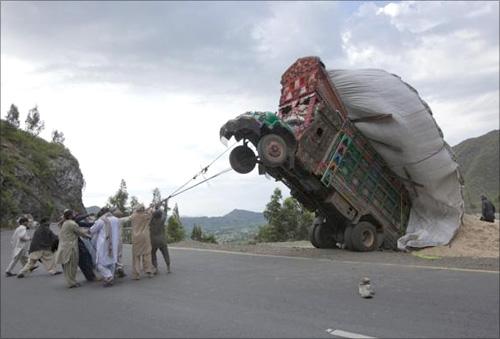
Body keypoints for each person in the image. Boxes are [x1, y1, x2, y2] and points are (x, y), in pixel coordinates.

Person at [55, 209, 91, 288]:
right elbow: (80, 232)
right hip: (70, 247)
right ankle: (72, 282)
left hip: (64, 246)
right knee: (72, 265)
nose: (75, 214)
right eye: (73, 213)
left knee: (68, 266)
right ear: (70, 215)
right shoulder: (72, 223)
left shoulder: (64, 223)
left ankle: (71, 281)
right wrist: (89, 236)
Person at [89, 207, 121, 287]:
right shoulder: (116, 219)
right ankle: (110, 277)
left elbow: (92, 230)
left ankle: (108, 276)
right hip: (114, 243)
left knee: (100, 263)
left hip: (104, 244)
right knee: (112, 261)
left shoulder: (101, 220)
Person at [129, 204, 155, 280]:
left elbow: (131, 216)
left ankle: (136, 274)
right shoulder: (147, 216)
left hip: (136, 238)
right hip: (145, 237)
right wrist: (151, 207)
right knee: (147, 254)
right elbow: (152, 212)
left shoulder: (134, 216)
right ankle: (149, 271)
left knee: (136, 256)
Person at [75, 213, 97, 281]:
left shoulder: (72, 223)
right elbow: (81, 232)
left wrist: (96, 223)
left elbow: (86, 225)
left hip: (78, 243)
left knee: (85, 259)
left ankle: (90, 276)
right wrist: (87, 215)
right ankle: (91, 276)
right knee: (85, 258)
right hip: (76, 244)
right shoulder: (72, 223)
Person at [149, 205, 171, 274]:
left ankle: (155, 268)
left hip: (153, 241)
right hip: (162, 240)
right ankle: (168, 268)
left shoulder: (151, 221)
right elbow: (165, 213)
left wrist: (153, 207)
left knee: (152, 254)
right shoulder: (162, 220)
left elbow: (151, 214)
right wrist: (165, 204)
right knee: (165, 253)